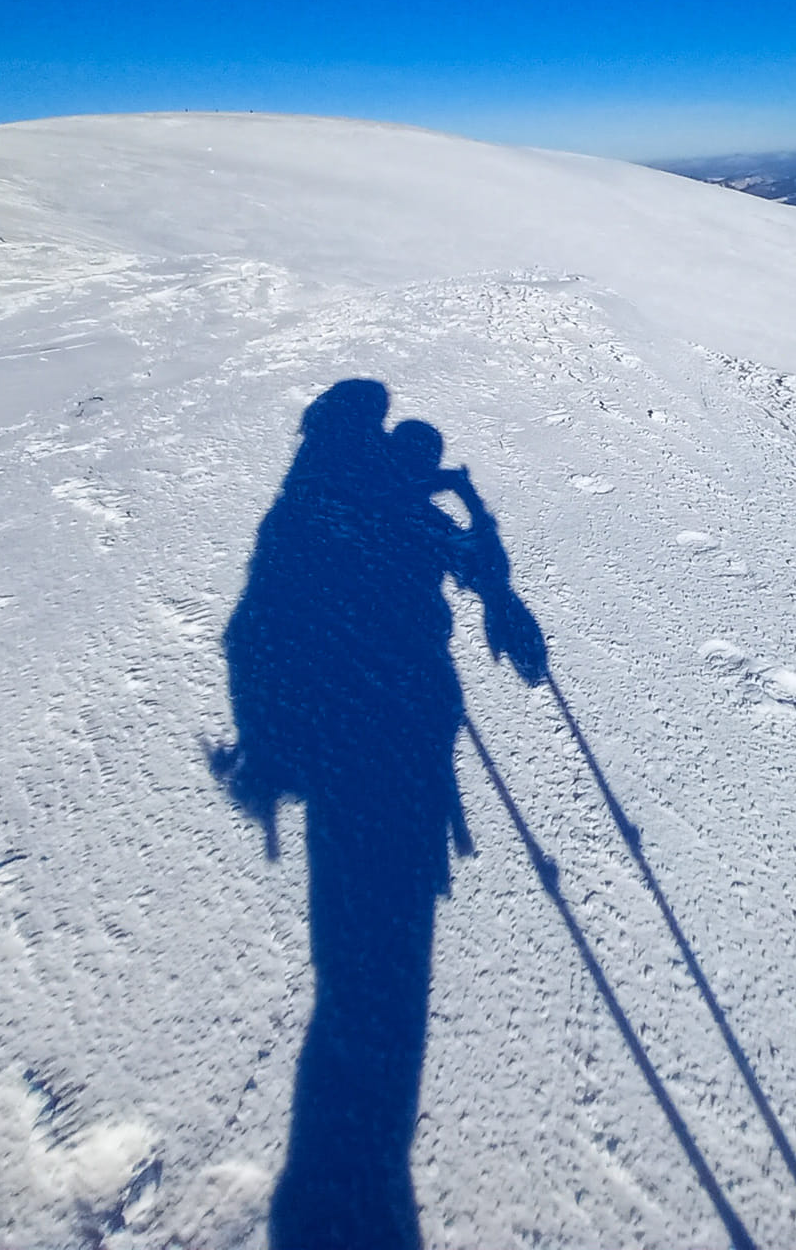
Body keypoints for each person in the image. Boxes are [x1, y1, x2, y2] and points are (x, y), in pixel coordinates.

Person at [216, 382, 544, 1250]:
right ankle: (354, 1174)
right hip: (404, 742)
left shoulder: (314, 505)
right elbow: (483, 571)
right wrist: (472, 508)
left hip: (340, 748)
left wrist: (269, 741)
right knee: (383, 957)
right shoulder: (402, 511)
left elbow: (251, 631)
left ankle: (347, 1164)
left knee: (360, 953)